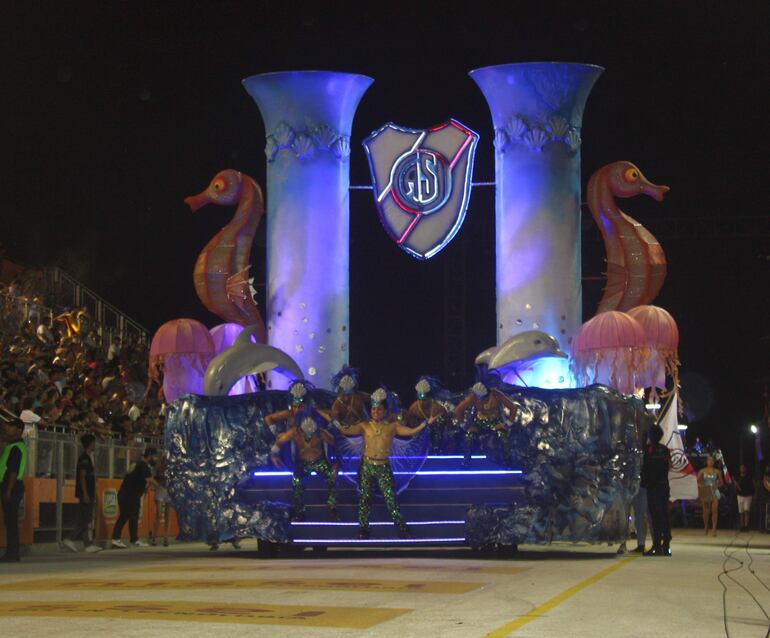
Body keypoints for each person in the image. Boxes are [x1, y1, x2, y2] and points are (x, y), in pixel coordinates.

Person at [336, 387, 435, 539]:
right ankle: (363, 528)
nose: (376, 412)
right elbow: (346, 431)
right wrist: (333, 421)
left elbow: (410, 432)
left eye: (379, 410)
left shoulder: (392, 427)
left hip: (383, 466)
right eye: (373, 409)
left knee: (390, 498)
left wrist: (424, 424)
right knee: (365, 498)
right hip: (367, 466)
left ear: (384, 411)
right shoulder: (364, 425)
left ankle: (402, 528)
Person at [272, 408, 338, 521]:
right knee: (296, 481)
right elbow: (279, 442)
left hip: (319, 462)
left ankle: (332, 507)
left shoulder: (321, 433)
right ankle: (299, 511)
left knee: (332, 476)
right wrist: (274, 456)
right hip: (302, 463)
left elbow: (335, 444)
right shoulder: (294, 432)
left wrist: (336, 462)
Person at [454, 382, 519, 466]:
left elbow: (513, 408)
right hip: (480, 422)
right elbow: (458, 410)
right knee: (469, 436)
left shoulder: (496, 395)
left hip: (495, 421)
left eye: (484, 397)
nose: (482, 400)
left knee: (503, 436)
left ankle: (508, 461)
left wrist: (506, 424)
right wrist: (464, 426)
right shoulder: (473, 397)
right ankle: (466, 461)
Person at [111, 447, 157, 548]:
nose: (155, 459)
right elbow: (150, 480)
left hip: (128, 494)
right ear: (149, 455)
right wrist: (160, 488)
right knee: (126, 516)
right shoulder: (143, 465)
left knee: (131, 516)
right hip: (129, 495)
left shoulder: (139, 464)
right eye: (154, 456)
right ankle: (118, 539)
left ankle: (131, 539)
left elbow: (144, 481)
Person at [62, 434, 102, 553]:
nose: (95, 445)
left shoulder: (89, 457)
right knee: (86, 518)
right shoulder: (84, 458)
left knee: (85, 517)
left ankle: (88, 545)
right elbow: (82, 476)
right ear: (90, 444)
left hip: (89, 491)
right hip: (86, 492)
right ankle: (70, 538)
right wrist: (85, 493)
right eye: (94, 443)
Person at [641, 424, 672, 556]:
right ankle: (666, 545)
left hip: (653, 487)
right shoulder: (665, 450)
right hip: (663, 485)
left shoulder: (648, 450)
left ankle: (657, 546)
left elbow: (644, 468)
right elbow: (670, 466)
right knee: (663, 515)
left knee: (656, 516)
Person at [0, 416, 27, 562]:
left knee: (10, 521)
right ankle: (12, 552)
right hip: (12, 485)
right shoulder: (13, 445)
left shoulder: (16, 448)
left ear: (19, 430)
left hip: (11, 485)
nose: (7, 428)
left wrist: (8, 490)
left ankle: (12, 553)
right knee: (10, 520)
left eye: (11, 427)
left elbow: (13, 470)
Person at [407, 377, 449, 453]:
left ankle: (437, 449)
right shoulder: (413, 409)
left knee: (439, 421)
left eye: (424, 399)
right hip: (420, 437)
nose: (422, 402)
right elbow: (411, 428)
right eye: (420, 399)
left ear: (429, 398)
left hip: (437, 438)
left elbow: (449, 426)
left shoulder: (438, 409)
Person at [697, 454, 723, 537]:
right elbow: (698, 481)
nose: (710, 462)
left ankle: (714, 528)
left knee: (715, 510)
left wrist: (717, 485)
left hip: (714, 491)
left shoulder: (717, 471)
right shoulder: (702, 471)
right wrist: (702, 486)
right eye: (709, 460)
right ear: (707, 461)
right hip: (706, 491)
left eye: (712, 460)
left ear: (714, 462)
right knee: (705, 512)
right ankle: (706, 525)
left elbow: (721, 482)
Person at [149, 453, 170, 546]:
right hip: (160, 490)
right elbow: (152, 478)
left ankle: (166, 538)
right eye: (165, 458)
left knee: (167, 515)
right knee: (158, 514)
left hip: (168, 491)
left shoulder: (171, 468)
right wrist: (154, 486)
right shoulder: (158, 467)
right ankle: (154, 538)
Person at [735, 463, 755, 532]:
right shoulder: (738, 477)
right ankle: (742, 526)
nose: (742, 469)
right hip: (740, 496)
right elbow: (736, 487)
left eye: (743, 467)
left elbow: (753, 485)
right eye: (741, 468)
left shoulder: (749, 477)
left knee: (747, 511)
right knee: (741, 512)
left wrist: (754, 494)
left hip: (748, 495)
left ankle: (746, 526)